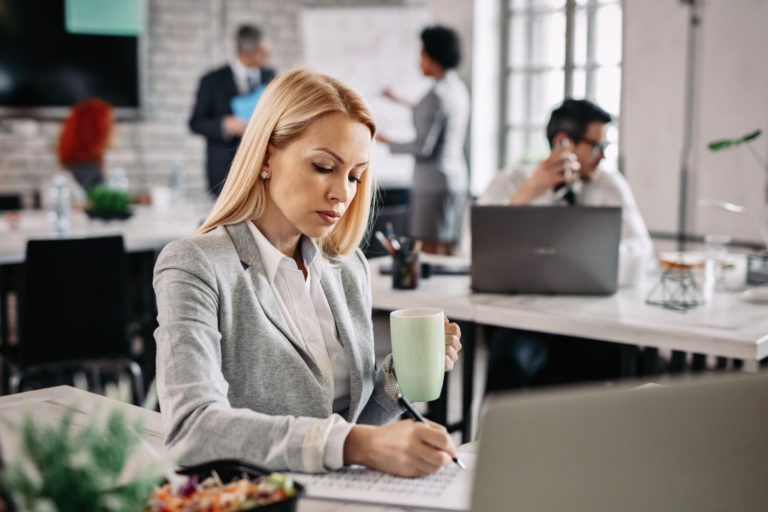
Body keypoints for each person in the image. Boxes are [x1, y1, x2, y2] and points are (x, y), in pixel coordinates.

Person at [154, 68, 464, 477]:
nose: (343, 193)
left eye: (355, 175)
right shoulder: (195, 265)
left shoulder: (348, 269)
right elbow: (191, 428)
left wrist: (400, 377)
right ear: (266, 156)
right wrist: (357, 444)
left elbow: (351, 433)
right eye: (323, 167)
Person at [478, 99, 653, 391]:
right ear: (563, 143)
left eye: (606, 148)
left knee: (634, 362)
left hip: (592, 321)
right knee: (508, 362)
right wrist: (528, 193)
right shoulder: (512, 181)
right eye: (597, 147)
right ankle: (500, 437)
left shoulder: (610, 186)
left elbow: (642, 251)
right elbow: (475, 247)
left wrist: (582, 259)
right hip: (526, 320)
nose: (602, 157)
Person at [377, 25, 469, 255]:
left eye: (422, 54)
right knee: (448, 246)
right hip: (455, 178)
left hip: (432, 184)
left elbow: (422, 147)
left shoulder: (435, 95)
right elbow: (434, 114)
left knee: (428, 248)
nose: (419, 61)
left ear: (433, 56)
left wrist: (386, 141)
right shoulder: (456, 88)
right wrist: (401, 101)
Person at [189, 25, 275, 196]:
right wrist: (224, 125)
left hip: (262, 166)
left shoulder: (270, 76)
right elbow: (195, 122)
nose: (267, 56)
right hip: (224, 170)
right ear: (246, 51)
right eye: (261, 51)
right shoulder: (211, 80)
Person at [57, 97, 113, 192]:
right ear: (97, 130)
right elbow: (101, 201)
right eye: (109, 125)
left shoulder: (76, 165)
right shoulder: (88, 168)